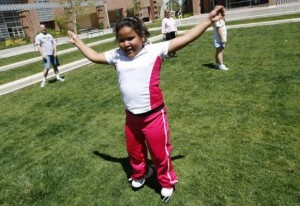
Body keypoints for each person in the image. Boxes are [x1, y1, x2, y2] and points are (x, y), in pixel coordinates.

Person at [68, 5, 225, 202]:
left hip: (154, 117)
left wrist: (208, 21)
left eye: (130, 38)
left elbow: (185, 38)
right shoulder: (116, 55)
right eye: (122, 40)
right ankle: (141, 173)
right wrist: (77, 41)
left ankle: (166, 181)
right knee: (134, 152)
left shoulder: (155, 50)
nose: (126, 44)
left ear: (142, 36)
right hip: (131, 117)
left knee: (160, 154)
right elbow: (94, 56)